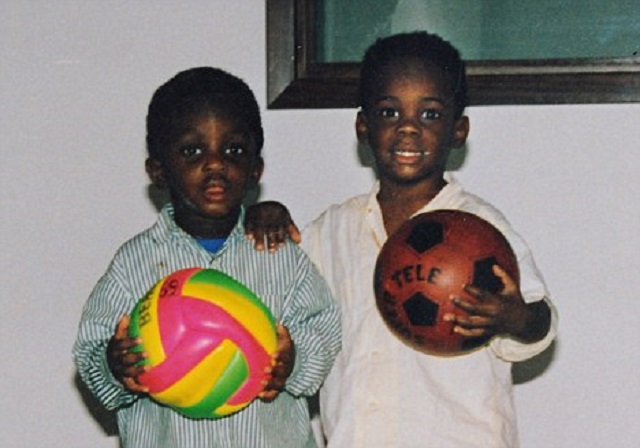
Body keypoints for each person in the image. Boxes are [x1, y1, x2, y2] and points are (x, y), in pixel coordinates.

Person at [246, 31, 558, 447]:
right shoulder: (332, 230)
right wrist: (265, 216)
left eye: (429, 115)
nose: (408, 128)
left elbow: (540, 320)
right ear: (363, 126)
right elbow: (276, 301)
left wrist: (515, 317)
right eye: (389, 113)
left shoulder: (480, 227)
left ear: (458, 130)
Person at [72, 67, 341, 448]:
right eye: (191, 150)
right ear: (158, 171)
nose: (215, 163)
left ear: (255, 169)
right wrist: (115, 367)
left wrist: (294, 361)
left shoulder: (278, 254)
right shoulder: (134, 265)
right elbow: (91, 351)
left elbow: (325, 327)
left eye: (233, 150)